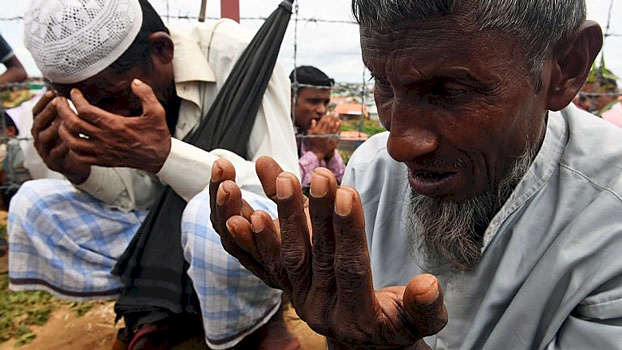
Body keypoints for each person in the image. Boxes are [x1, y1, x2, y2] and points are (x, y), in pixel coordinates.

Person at [209, 0, 622, 348]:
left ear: (566, 67)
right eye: (383, 85)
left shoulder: (610, 218)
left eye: (450, 91)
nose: (399, 146)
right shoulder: (371, 172)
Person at [8, 0, 300, 348]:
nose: (104, 117)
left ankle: (259, 327)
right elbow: (143, 198)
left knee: (205, 216)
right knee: (34, 202)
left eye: (113, 97)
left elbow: (282, 195)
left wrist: (164, 156)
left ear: (161, 49)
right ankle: (170, 305)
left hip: (240, 237)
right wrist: (78, 171)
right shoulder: (105, 92)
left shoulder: (236, 54)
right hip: (161, 236)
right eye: (83, 106)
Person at [290, 66, 345, 187]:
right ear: (291, 98)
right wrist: (317, 152)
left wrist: (330, 152)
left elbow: (344, 182)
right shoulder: (277, 132)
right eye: (314, 101)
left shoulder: (315, 134)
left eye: (326, 102)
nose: (322, 110)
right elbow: (286, 185)